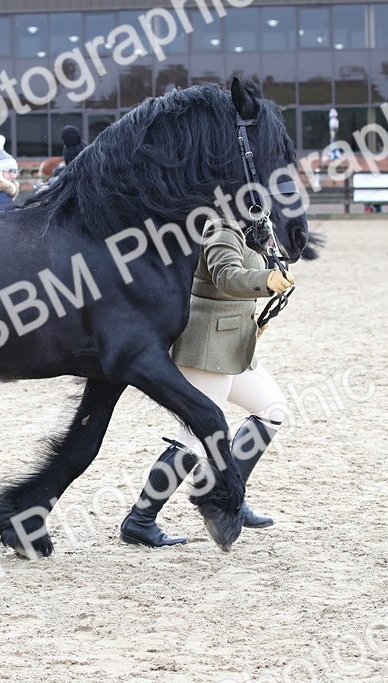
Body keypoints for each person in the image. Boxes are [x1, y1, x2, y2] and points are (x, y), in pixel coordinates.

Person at [119, 216, 297, 547]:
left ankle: (229, 496)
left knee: (271, 408)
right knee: (193, 438)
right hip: (208, 344)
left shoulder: (251, 224)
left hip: (234, 343)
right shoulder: (220, 225)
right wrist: (267, 280)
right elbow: (226, 276)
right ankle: (140, 519)